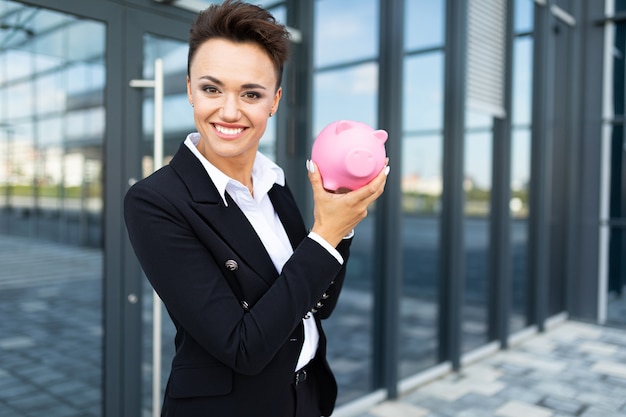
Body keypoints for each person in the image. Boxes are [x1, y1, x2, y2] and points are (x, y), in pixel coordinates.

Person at [124, 1, 388, 416]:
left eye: (251, 93)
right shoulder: (156, 201)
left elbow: (320, 305)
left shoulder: (274, 183)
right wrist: (324, 235)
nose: (230, 111)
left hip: (305, 398)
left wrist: (341, 222)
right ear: (190, 89)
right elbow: (242, 346)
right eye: (212, 89)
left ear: (275, 101)